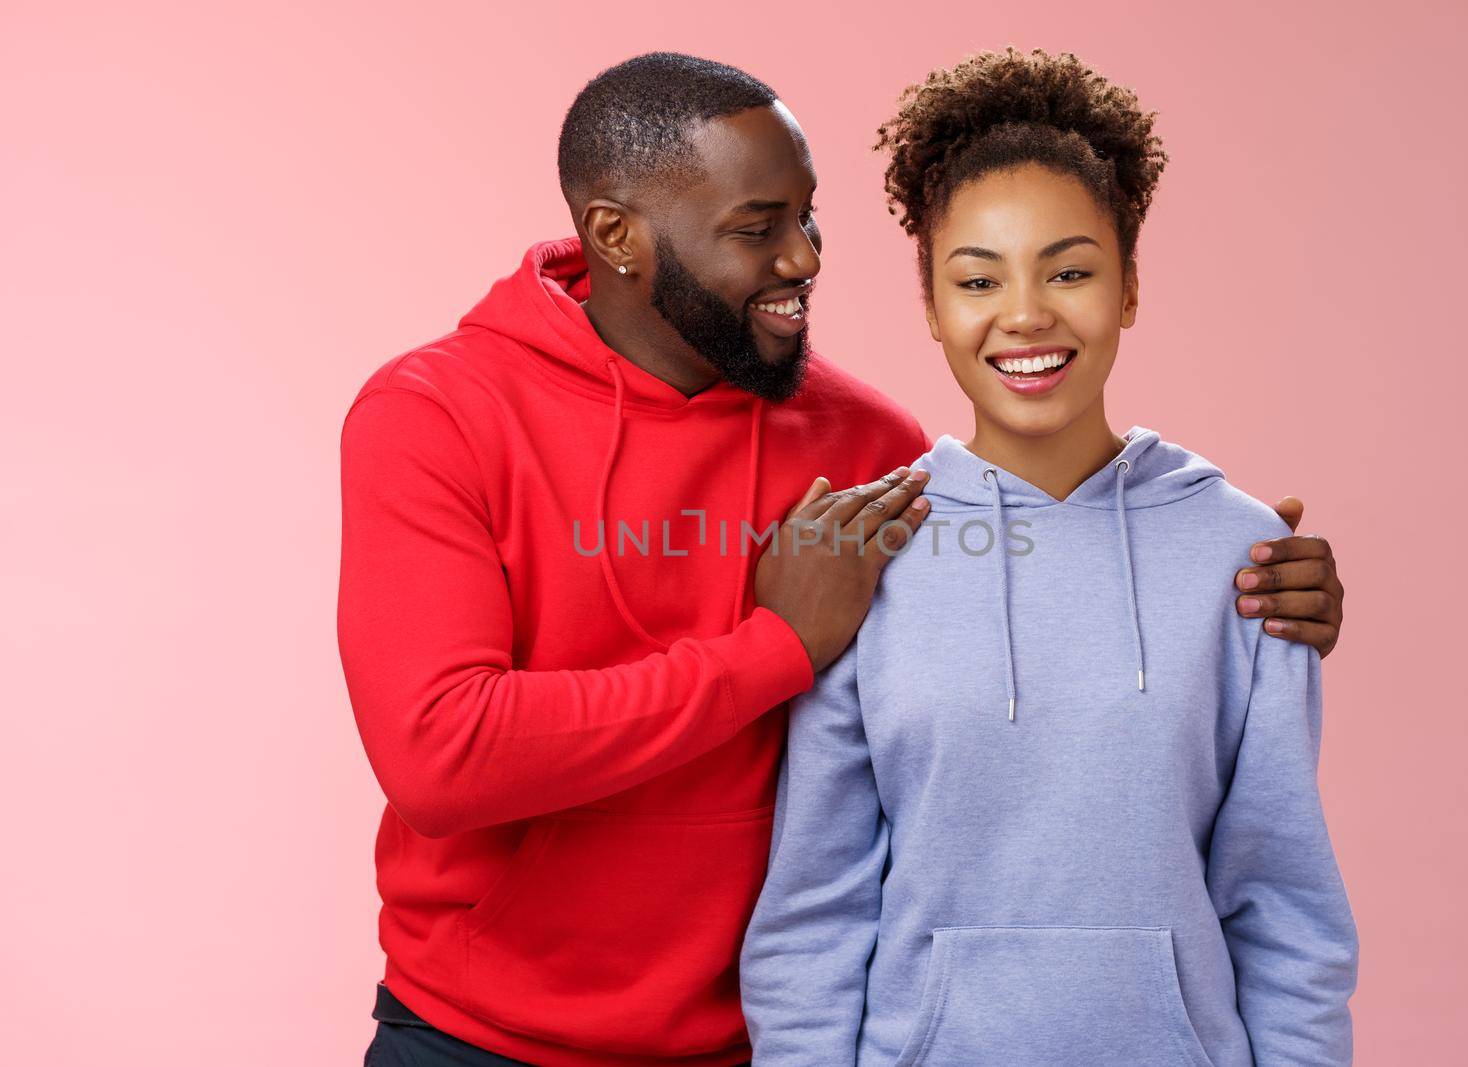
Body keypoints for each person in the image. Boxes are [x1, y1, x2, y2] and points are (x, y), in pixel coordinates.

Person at [338, 52, 1348, 1067]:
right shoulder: (437, 415)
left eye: (807, 217)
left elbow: (1033, 599)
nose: (803, 258)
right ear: (617, 237)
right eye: (758, 227)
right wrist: (774, 645)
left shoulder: (866, 449)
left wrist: (1243, 579)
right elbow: (442, 752)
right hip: (477, 1038)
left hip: (744, 1043)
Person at [739, 49, 1359, 1066]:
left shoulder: (1239, 551)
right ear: (932, 309)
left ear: (1127, 287)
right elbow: (814, 912)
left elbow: (1285, 906)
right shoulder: (869, 552)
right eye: (977, 278)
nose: (1024, 313)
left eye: (1068, 270)